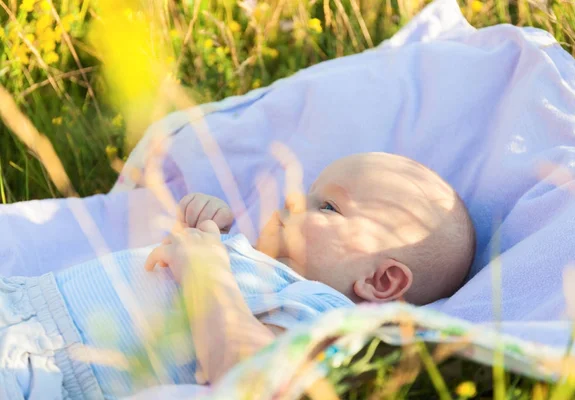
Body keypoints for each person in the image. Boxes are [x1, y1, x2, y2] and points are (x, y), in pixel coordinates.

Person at [0, 153, 475, 399]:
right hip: (23, 308)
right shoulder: (256, 258)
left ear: (381, 283)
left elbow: (251, 372)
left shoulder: (322, 313)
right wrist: (209, 232)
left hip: (48, 370)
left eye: (327, 206)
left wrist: (207, 273)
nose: (292, 203)